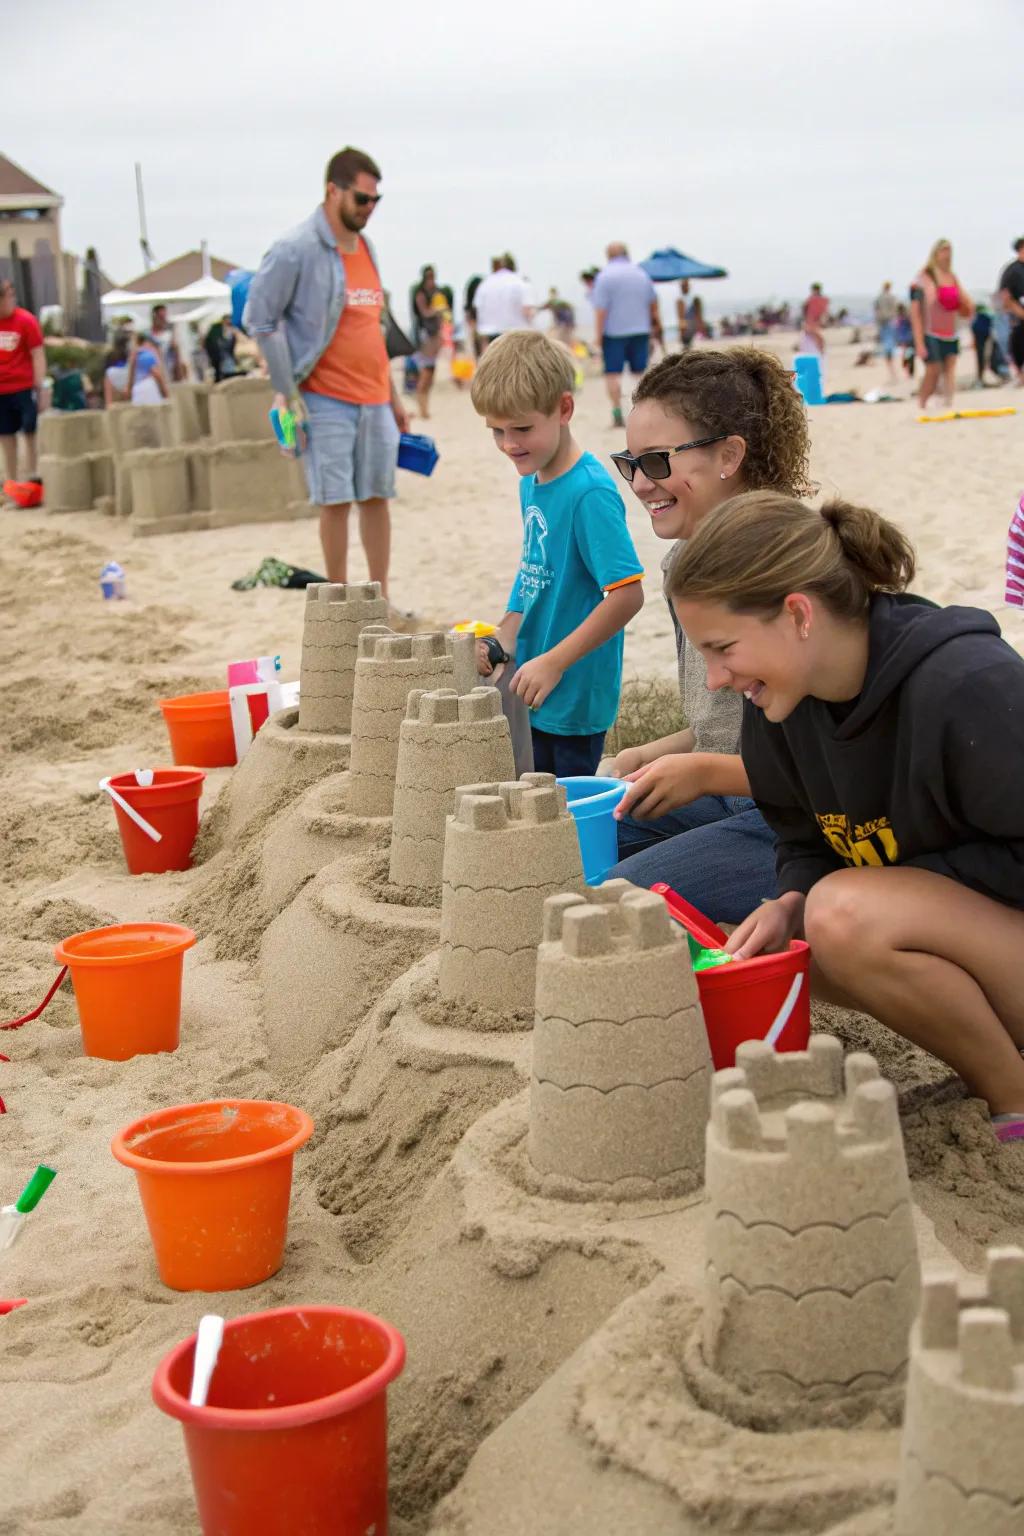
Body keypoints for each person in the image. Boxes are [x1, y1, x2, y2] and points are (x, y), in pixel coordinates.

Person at [667, 490, 1024, 1140]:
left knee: (844, 913)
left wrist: (902, 888)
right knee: (795, 941)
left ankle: (1012, 1100)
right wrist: (791, 900)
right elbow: (802, 838)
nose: (715, 678)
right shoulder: (780, 702)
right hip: (976, 938)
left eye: (723, 648)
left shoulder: (966, 685)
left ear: (799, 613)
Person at [604, 347, 811, 921]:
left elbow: (820, 769)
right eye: (631, 463)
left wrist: (700, 772)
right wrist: (647, 752)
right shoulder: (686, 564)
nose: (642, 484)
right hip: (728, 793)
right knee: (564, 841)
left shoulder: (780, 567)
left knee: (620, 900)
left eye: (658, 462)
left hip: (793, 818)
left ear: (729, 455)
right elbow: (725, 724)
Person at [469, 329, 645, 777]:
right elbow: (533, 572)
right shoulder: (531, 480)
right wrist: (501, 638)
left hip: (572, 698)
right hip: (529, 683)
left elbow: (627, 596)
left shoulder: (589, 492)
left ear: (563, 409)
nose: (510, 444)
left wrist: (554, 662)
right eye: (497, 431)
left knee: (565, 823)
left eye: (523, 428)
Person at [245, 145, 409, 597]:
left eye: (376, 201)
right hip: (324, 397)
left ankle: (380, 597)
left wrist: (394, 398)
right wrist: (287, 392)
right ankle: (340, 602)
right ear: (332, 191)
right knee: (334, 500)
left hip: (374, 397)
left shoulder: (367, 248)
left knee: (377, 497)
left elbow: (372, 327)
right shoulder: (294, 249)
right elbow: (260, 318)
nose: (369, 209)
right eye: (361, 199)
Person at [592, 243, 661, 428]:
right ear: (627, 254)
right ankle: (643, 412)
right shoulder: (641, 274)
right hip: (640, 330)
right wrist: (655, 327)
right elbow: (653, 304)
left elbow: (601, 310)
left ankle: (617, 412)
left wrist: (598, 337)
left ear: (608, 256)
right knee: (640, 373)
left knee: (613, 374)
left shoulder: (604, 276)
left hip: (614, 333)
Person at [910, 239, 973, 411]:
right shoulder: (925, 277)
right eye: (943, 251)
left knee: (950, 368)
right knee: (934, 368)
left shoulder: (952, 277)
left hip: (950, 330)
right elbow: (915, 312)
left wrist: (965, 307)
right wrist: (919, 341)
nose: (947, 255)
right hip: (930, 331)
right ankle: (922, 402)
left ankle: (948, 402)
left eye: (949, 251)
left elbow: (966, 302)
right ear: (935, 253)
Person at [0, 278, 47, 491]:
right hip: (1, 389)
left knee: (30, 431)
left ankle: (33, 475)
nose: (8, 301)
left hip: (23, 386)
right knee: (6, 434)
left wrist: (40, 385)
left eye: (10, 295)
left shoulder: (26, 321)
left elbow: (37, 354)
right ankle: (10, 480)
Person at [473, 255, 534, 353]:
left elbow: (477, 309)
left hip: (491, 336)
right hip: (516, 335)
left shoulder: (485, 283)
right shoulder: (520, 282)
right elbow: (528, 310)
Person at [411, 265, 445, 418]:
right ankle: (422, 409)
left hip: (434, 337)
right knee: (425, 374)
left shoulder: (436, 292)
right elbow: (424, 312)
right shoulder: (421, 293)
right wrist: (437, 311)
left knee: (430, 374)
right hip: (425, 337)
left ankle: (425, 408)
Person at [998, 236, 1024, 384]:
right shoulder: (1012, 271)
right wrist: (1019, 312)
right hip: (1016, 316)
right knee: (1017, 345)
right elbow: (1004, 295)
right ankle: (1019, 374)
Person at [128, 335, 168, 404]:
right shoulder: (148, 355)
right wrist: (165, 392)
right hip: (148, 389)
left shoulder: (136, 353)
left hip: (137, 390)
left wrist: (129, 389)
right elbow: (156, 373)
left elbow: (131, 375)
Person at [874, 281, 899, 384]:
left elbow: (876, 311)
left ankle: (891, 370)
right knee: (890, 346)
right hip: (890, 322)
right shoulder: (892, 297)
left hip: (883, 323)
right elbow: (895, 310)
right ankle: (892, 370)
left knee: (886, 346)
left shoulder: (879, 298)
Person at [150, 304, 183, 382]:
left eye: (164, 316)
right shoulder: (149, 334)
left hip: (169, 368)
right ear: (154, 316)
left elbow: (176, 350)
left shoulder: (170, 332)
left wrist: (179, 370)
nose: (163, 319)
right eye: (161, 316)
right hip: (156, 369)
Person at [204, 315, 239, 383]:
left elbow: (232, 341)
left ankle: (228, 381)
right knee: (218, 370)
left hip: (226, 352)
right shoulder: (216, 328)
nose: (229, 321)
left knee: (228, 368)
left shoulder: (232, 329)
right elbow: (211, 341)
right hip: (217, 353)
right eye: (227, 319)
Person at [800, 283, 829, 356]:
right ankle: (821, 350)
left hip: (810, 319)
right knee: (816, 336)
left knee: (813, 336)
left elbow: (804, 309)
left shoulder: (811, 299)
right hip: (817, 320)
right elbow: (825, 311)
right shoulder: (824, 299)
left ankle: (820, 351)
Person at [103, 334, 132, 404]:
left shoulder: (110, 354)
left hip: (112, 383)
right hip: (127, 380)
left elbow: (106, 368)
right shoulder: (130, 353)